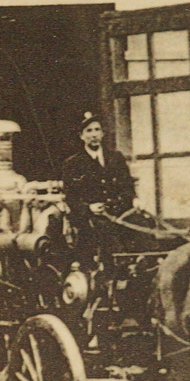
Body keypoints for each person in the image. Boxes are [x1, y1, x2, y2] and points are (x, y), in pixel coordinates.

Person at [61, 112, 137, 268]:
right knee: (104, 228)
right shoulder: (73, 163)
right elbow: (70, 197)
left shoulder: (116, 157)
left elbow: (127, 185)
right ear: (81, 136)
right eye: (89, 131)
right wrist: (88, 207)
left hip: (119, 211)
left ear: (102, 134)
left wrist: (135, 199)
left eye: (97, 130)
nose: (94, 135)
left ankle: (148, 263)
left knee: (142, 222)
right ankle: (119, 266)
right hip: (90, 217)